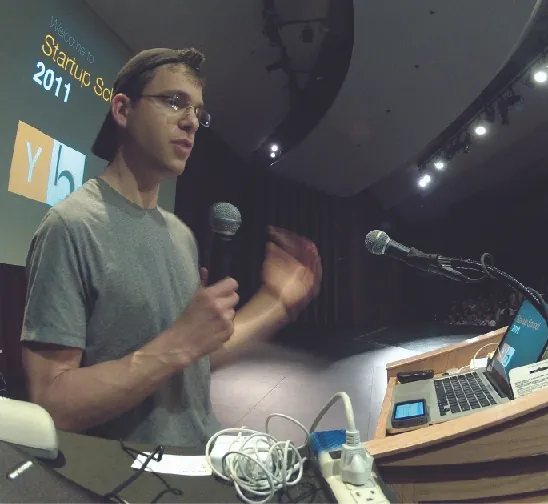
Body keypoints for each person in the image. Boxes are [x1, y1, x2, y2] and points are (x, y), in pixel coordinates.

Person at [20, 48, 322, 447]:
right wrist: (178, 343)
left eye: (199, 111)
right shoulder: (70, 227)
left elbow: (190, 363)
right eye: (174, 101)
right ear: (123, 110)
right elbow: (52, 405)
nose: (191, 122)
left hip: (202, 459)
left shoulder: (181, 235)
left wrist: (274, 304)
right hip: (131, 479)